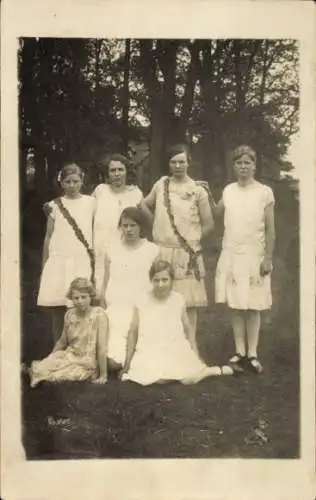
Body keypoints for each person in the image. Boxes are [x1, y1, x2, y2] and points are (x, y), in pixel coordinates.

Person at [140, 143, 214, 352]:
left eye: (182, 161)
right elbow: (143, 205)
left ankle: (191, 346)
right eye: (174, 162)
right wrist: (155, 222)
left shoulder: (197, 190)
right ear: (168, 164)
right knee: (163, 298)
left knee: (188, 302)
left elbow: (209, 224)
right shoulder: (161, 184)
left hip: (186, 252)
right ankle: (166, 346)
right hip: (162, 249)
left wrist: (191, 244)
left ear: (189, 162)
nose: (178, 165)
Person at [121, 260, 233, 386]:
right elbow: (132, 332)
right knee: (150, 377)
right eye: (156, 280)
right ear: (151, 281)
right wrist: (127, 364)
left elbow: (187, 328)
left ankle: (214, 371)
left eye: (165, 280)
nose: (160, 284)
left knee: (190, 377)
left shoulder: (178, 299)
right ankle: (198, 372)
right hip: (149, 349)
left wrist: (196, 353)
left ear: (172, 280)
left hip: (175, 347)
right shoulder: (141, 300)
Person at [214, 145, 275, 374]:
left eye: (247, 162)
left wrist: (267, 257)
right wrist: (201, 193)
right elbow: (214, 212)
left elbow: (270, 229)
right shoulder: (228, 190)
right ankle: (239, 351)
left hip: (254, 255)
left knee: (253, 306)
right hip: (232, 253)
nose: (243, 167)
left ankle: (253, 353)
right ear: (234, 166)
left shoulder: (265, 192)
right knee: (236, 305)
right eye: (239, 163)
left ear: (254, 165)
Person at [37, 163, 96, 342]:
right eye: (68, 181)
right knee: (59, 308)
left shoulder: (90, 202)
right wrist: (45, 264)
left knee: (81, 306)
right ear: (61, 183)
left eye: (76, 181)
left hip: (80, 259)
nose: (72, 185)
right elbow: (48, 236)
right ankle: (59, 349)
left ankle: (81, 347)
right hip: (59, 260)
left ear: (82, 182)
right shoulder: (54, 206)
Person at [100, 206, 160, 372]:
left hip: (142, 308)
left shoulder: (152, 250)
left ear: (141, 227)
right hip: (117, 307)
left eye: (133, 225)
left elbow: (157, 282)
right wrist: (103, 303)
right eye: (125, 226)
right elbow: (105, 281)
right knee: (113, 364)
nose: (128, 230)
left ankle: (135, 359)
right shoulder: (112, 249)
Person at [28, 278, 108, 388]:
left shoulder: (99, 315)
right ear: (71, 298)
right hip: (70, 355)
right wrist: (51, 358)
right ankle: (39, 372)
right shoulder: (70, 315)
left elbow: (101, 347)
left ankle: (42, 377)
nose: (79, 301)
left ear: (90, 296)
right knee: (44, 366)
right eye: (76, 298)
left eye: (83, 297)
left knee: (59, 376)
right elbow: (62, 342)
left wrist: (103, 375)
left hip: (86, 362)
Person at [92, 154, 143, 295]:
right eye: (112, 170)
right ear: (107, 173)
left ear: (127, 171)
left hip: (126, 248)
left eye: (120, 169)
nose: (116, 174)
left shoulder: (135, 193)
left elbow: (146, 219)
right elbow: (85, 212)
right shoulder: (100, 191)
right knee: (101, 291)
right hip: (101, 247)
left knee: (124, 291)